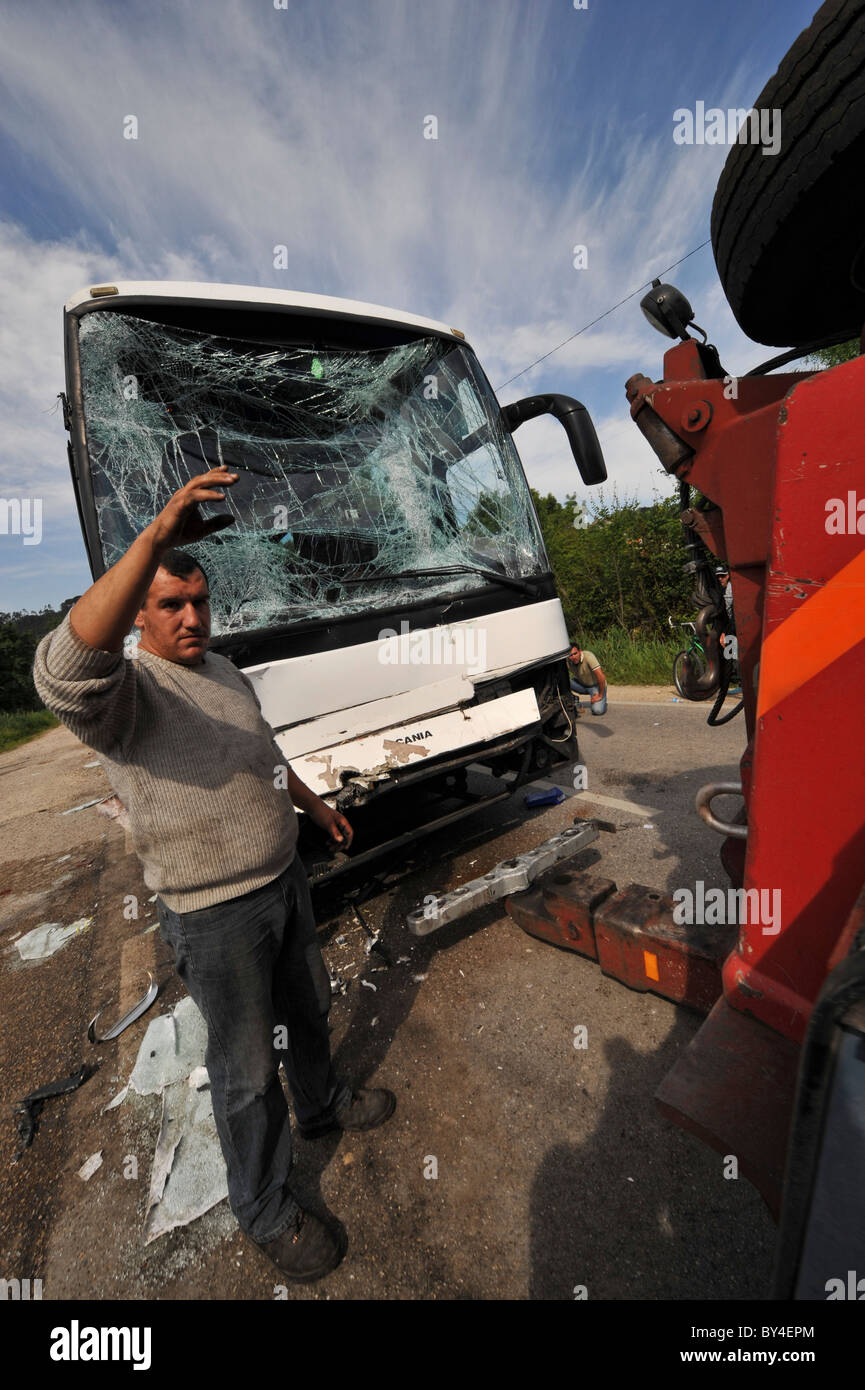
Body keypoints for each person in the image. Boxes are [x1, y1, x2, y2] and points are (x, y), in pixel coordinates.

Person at [32, 467, 395, 1284]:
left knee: (310, 1011)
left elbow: (260, 751)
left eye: (199, 602)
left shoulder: (223, 671)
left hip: (284, 880)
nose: (191, 617)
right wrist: (155, 536)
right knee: (242, 1072)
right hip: (214, 917)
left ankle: (325, 1106)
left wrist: (313, 808)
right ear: (140, 617)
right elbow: (60, 669)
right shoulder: (126, 696)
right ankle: (264, 1208)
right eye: (170, 605)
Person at [567, 642, 607, 715]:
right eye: (570, 655)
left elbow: (601, 676)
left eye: (575, 653)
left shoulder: (588, 656)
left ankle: (601, 697)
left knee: (597, 710)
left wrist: (600, 695)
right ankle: (574, 700)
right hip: (582, 685)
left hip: (596, 686)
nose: (573, 657)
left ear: (580, 651)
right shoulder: (568, 660)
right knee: (564, 681)